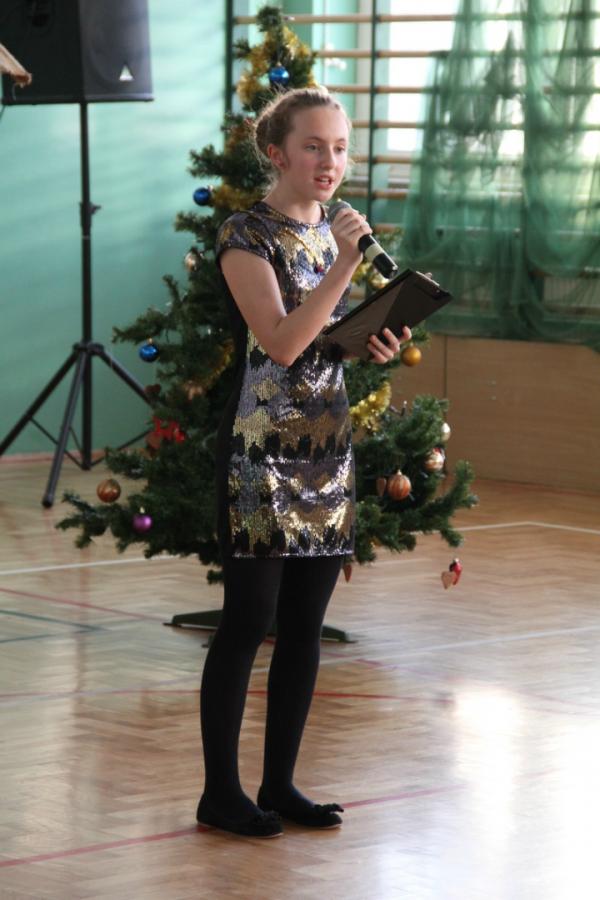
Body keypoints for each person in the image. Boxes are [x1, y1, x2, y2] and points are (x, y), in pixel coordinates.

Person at [197, 86, 411, 838]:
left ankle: (279, 784)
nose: (330, 161)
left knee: (304, 627)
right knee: (247, 620)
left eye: (340, 148)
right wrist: (346, 266)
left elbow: (324, 341)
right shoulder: (245, 234)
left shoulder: (330, 232)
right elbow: (283, 343)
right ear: (277, 153)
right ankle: (220, 794)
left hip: (326, 447)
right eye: (314, 146)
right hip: (261, 451)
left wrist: (369, 340)